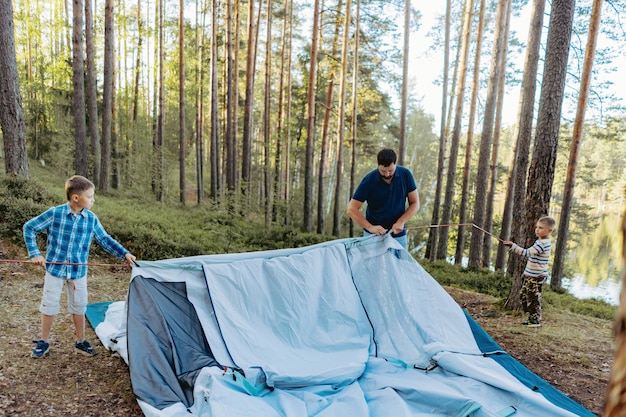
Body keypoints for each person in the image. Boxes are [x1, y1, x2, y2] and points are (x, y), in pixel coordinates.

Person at [23, 175, 136, 358]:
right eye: (90, 196)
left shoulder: (91, 219)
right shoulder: (55, 213)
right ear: (76, 198)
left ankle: (80, 341)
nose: (93, 200)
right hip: (55, 271)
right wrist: (35, 253)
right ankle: (43, 341)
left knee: (79, 306)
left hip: (78, 272)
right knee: (49, 305)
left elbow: (105, 240)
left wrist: (124, 253)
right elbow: (29, 228)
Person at [346, 148, 420, 251]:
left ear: (395, 164)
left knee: (400, 266)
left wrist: (401, 221)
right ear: (378, 166)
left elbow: (415, 203)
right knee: (371, 266)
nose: (387, 174)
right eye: (383, 171)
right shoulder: (369, 180)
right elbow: (351, 209)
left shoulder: (406, 175)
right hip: (373, 235)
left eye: (390, 170)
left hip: (398, 234)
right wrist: (370, 227)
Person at [503, 216, 556, 328]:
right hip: (531, 275)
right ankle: (532, 316)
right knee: (524, 295)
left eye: (541, 228)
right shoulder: (540, 241)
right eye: (537, 227)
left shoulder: (543, 243)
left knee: (533, 298)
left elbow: (527, 253)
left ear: (549, 230)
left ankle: (535, 319)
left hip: (536, 277)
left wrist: (513, 246)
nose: (537, 229)